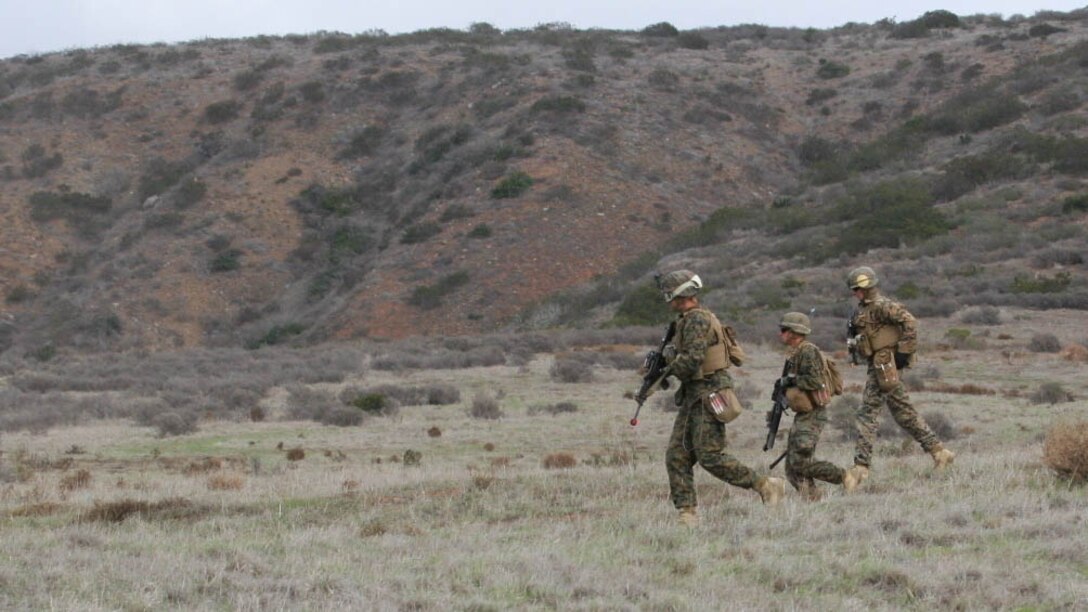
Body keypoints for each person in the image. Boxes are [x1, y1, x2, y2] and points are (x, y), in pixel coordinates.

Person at [656, 269, 785, 526]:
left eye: (669, 294)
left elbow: (692, 360)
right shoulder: (685, 320)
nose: (667, 299)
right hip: (695, 395)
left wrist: (667, 368)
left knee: (709, 456)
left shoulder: (696, 320)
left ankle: (765, 485)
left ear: (679, 294)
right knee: (677, 456)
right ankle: (687, 513)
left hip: (708, 393)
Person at [843, 266, 955, 491]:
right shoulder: (862, 310)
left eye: (857, 289)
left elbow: (910, 322)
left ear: (867, 287)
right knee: (904, 414)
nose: (855, 292)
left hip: (886, 365)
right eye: (853, 289)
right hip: (877, 364)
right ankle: (940, 452)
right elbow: (859, 336)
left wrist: (903, 353)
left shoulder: (884, 306)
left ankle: (860, 469)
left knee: (867, 414)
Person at [777, 312, 848, 500]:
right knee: (792, 470)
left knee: (799, 462)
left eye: (784, 330)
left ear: (794, 332)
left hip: (813, 414)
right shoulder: (795, 352)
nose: (781, 334)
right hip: (803, 414)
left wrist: (791, 380)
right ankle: (813, 500)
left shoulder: (808, 351)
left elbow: (815, 381)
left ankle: (845, 477)